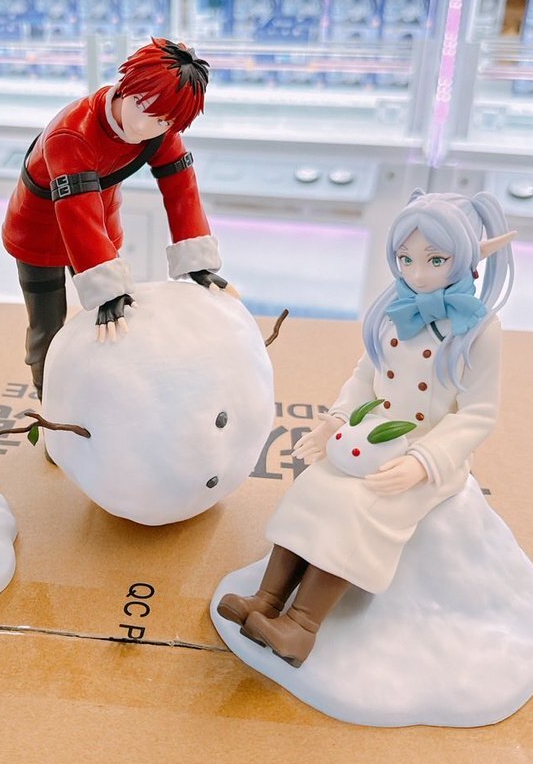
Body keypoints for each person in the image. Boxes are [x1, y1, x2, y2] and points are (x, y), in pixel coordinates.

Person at [218, 190, 515, 666]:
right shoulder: (392, 309)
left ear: (467, 256)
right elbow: (365, 377)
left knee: (360, 506)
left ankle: (302, 626)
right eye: (406, 259)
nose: (418, 273)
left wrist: (423, 462)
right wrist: (335, 422)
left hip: (426, 452)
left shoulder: (480, 329)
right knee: (316, 487)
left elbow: (479, 413)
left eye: (435, 259)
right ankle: (267, 601)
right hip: (369, 435)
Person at [2, 37, 227, 397]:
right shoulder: (71, 132)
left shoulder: (160, 130)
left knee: (116, 318)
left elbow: (181, 186)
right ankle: (50, 401)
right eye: (142, 105)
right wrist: (106, 288)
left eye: (163, 119)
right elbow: (76, 211)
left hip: (99, 231)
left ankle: (105, 392)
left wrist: (196, 261)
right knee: (47, 327)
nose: (145, 125)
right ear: (127, 86)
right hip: (38, 234)